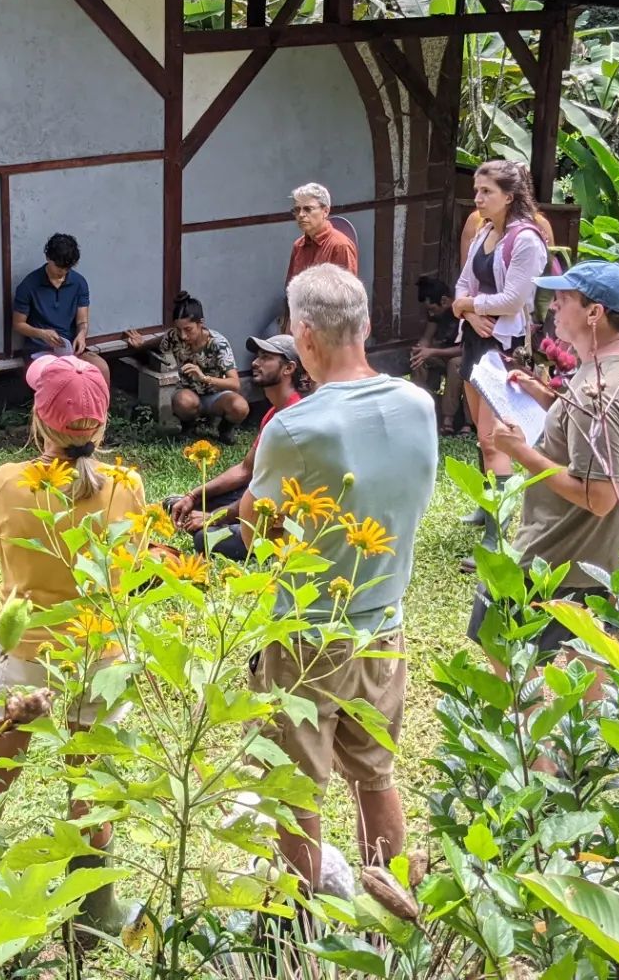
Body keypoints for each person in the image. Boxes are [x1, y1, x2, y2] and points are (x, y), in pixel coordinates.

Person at [241, 264, 437, 891]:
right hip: (385, 623)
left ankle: (301, 927)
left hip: (307, 635)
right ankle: (393, 904)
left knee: (296, 791)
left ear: (302, 337)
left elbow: (259, 536)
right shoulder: (419, 404)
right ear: (368, 324)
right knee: (375, 776)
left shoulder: (295, 428)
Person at [0, 353, 142, 933]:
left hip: (25, 656)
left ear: (39, 420)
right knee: (90, 786)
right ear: (103, 424)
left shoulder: (6, 482)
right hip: (99, 657)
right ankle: (96, 915)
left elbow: (0, 552)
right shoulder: (127, 486)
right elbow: (130, 566)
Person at [478, 262, 619, 665]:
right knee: (587, 667)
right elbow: (596, 439)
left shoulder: (596, 394)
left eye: (564, 299)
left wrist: (523, 454)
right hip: (599, 557)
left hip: (560, 556)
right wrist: (545, 397)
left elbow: (599, 497)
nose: (553, 306)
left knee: (505, 655)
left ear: (595, 314)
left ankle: (526, 729)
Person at [452, 160, 549, 550]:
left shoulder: (526, 239)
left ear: (509, 196)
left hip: (503, 346)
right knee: (480, 431)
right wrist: (471, 312)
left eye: (486, 191)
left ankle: (496, 537)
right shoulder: (484, 232)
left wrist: (470, 306)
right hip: (476, 338)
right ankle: (486, 507)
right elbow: (462, 283)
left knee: (496, 440)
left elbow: (513, 300)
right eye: (477, 190)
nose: (478, 198)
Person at [165, 334, 303, 559]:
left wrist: (214, 517)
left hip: (278, 517)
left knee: (204, 538)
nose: (255, 363)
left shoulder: (294, 419)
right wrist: (193, 496)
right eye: (257, 356)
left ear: (289, 368)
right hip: (257, 495)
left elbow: (269, 494)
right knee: (178, 504)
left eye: (265, 357)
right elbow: (245, 470)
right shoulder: (273, 412)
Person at [126, 291, 250, 441]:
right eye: (179, 330)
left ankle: (224, 429)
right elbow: (161, 340)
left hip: (215, 395)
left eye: (188, 329)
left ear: (200, 323)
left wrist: (204, 378)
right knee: (183, 402)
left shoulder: (218, 343)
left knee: (240, 407)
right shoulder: (174, 337)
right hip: (188, 392)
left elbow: (235, 384)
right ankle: (188, 427)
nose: (183, 336)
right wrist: (141, 344)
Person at [11, 233, 109, 379]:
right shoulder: (29, 285)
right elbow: (18, 324)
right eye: (58, 267)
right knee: (60, 375)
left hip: (70, 349)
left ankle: (100, 403)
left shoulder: (79, 282)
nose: (62, 272)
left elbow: (82, 321)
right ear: (48, 258)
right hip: (40, 349)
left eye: (67, 268)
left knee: (101, 368)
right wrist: (42, 333)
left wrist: (81, 335)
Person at [410, 276, 465, 434]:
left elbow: (464, 349)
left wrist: (433, 351)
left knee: (454, 363)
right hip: (442, 354)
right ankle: (419, 407)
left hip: (461, 357)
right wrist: (421, 348)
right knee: (418, 358)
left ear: (444, 300)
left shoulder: (462, 314)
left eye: (432, 309)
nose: (431, 313)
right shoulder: (435, 316)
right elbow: (427, 338)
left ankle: (448, 418)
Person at [285, 183, 359, 283]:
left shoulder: (340, 246)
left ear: (325, 211)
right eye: (297, 210)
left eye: (308, 209)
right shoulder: (298, 245)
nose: (301, 214)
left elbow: (347, 295)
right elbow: (290, 289)